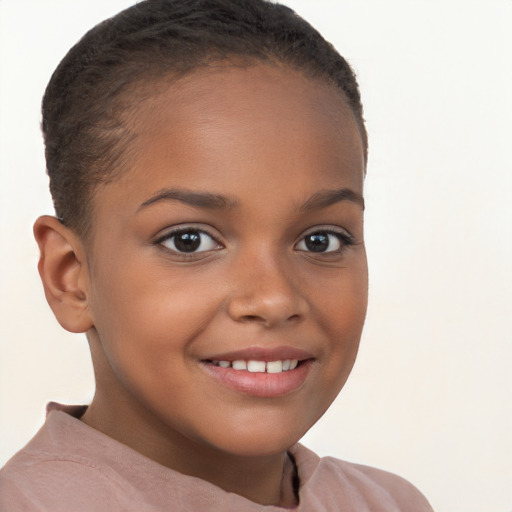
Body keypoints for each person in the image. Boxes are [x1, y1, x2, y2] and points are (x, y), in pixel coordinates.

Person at [0, 0, 434, 510]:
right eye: (189, 240)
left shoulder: (389, 502)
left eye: (321, 240)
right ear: (70, 277)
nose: (273, 299)